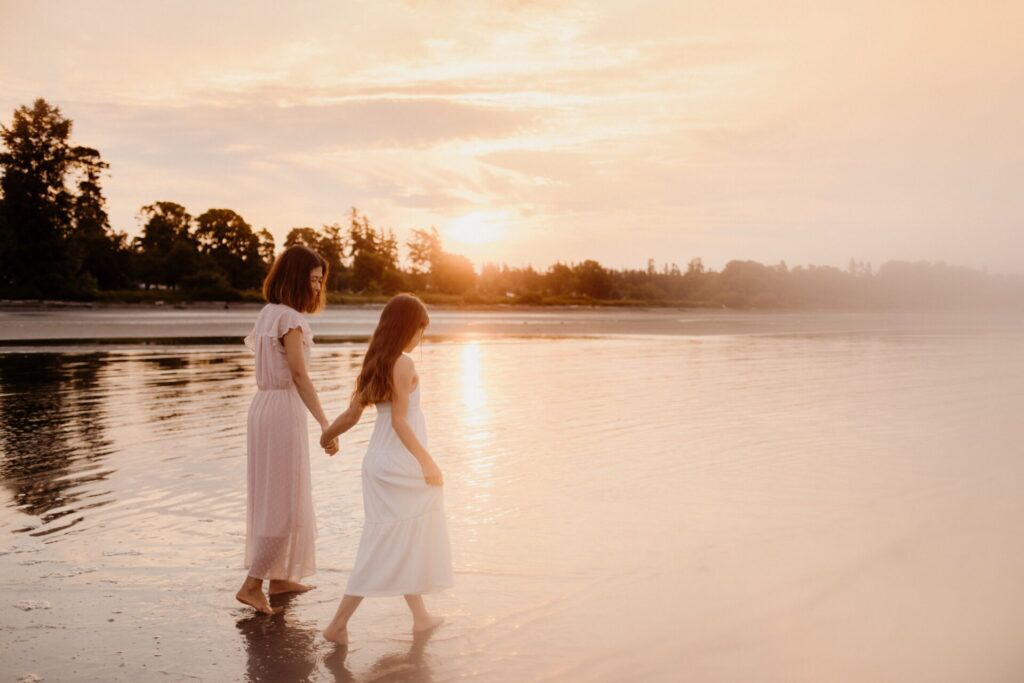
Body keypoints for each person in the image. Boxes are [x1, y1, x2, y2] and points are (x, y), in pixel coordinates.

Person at [320, 293, 453, 644]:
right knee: (387, 540)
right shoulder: (404, 363)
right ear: (408, 328)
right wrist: (427, 460)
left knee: (398, 534)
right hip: (398, 463)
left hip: (377, 463)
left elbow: (352, 415)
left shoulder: (376, 360)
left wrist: (326, 436)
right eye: (419, 330)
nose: (419, 338)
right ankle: (337, 624)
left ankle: (421, 617)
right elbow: (399, 421)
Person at [235, 245, 339, 614]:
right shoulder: (291, 320)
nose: (316, 288)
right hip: (282, 410)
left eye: (320, 281)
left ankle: (278, 578)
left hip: (262, 407)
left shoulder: (267, 314)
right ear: (295, 278)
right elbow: (299, 375)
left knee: (273, 494)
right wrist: (326, 423)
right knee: (281, 501)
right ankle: (252, 585)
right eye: (312, 280)